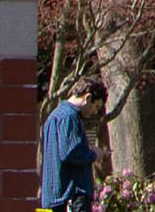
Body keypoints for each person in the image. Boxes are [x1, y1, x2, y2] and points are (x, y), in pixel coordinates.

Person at [40, 79, 105, 212]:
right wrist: (94, 154)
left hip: (58, 196)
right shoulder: (69, 117)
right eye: (96, 107)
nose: (94, 112)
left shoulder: (55, 116)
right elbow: (70, 153)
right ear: (88, 97)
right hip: (72, 196)